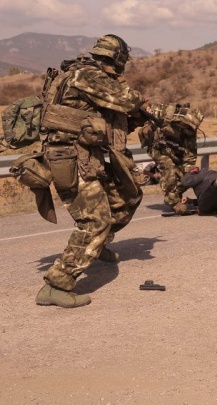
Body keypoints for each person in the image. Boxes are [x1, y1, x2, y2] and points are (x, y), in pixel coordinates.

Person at [36, 34, 147, 308]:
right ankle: (57, 284)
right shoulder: (87, 75)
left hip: (83, 156)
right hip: (71, 159)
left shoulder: (78, 72)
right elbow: (128, 100)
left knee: (126, 196)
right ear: (117, 59)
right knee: (95, 221)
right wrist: (137, 98)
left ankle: (97, 247)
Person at [138, 102, 202, 214]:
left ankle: (174, 194)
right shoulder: (164, 112)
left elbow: (190, 155)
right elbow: (143, 106)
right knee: (169, 168)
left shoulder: (190, 132)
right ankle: (173, 202)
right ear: (181, 120)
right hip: (157, 147)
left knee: (186, 176)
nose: (187, 129)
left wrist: (187, 172)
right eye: (186, 125)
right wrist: (147, 126)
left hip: (173, 151)